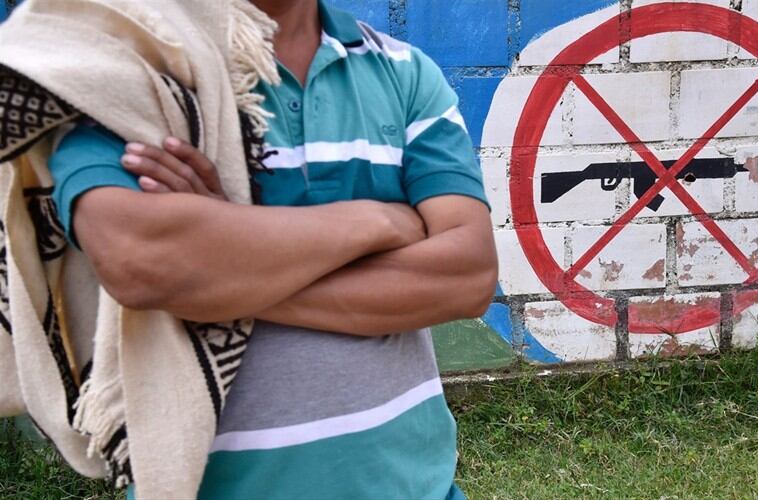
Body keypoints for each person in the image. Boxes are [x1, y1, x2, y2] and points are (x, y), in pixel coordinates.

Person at [46, 0, 497, 498]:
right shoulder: (126, 75)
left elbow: (467, 277)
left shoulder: (405, 72)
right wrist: (377, 221)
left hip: (414, 487)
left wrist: (219, 263)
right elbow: (141, 264)